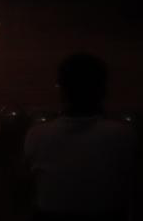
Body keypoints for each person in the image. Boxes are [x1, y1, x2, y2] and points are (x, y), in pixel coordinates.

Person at [23, 54, 135, 221]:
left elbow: (26, 188)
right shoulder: (122, 135)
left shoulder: (37, 135)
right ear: (103, 91)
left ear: (61, 90)